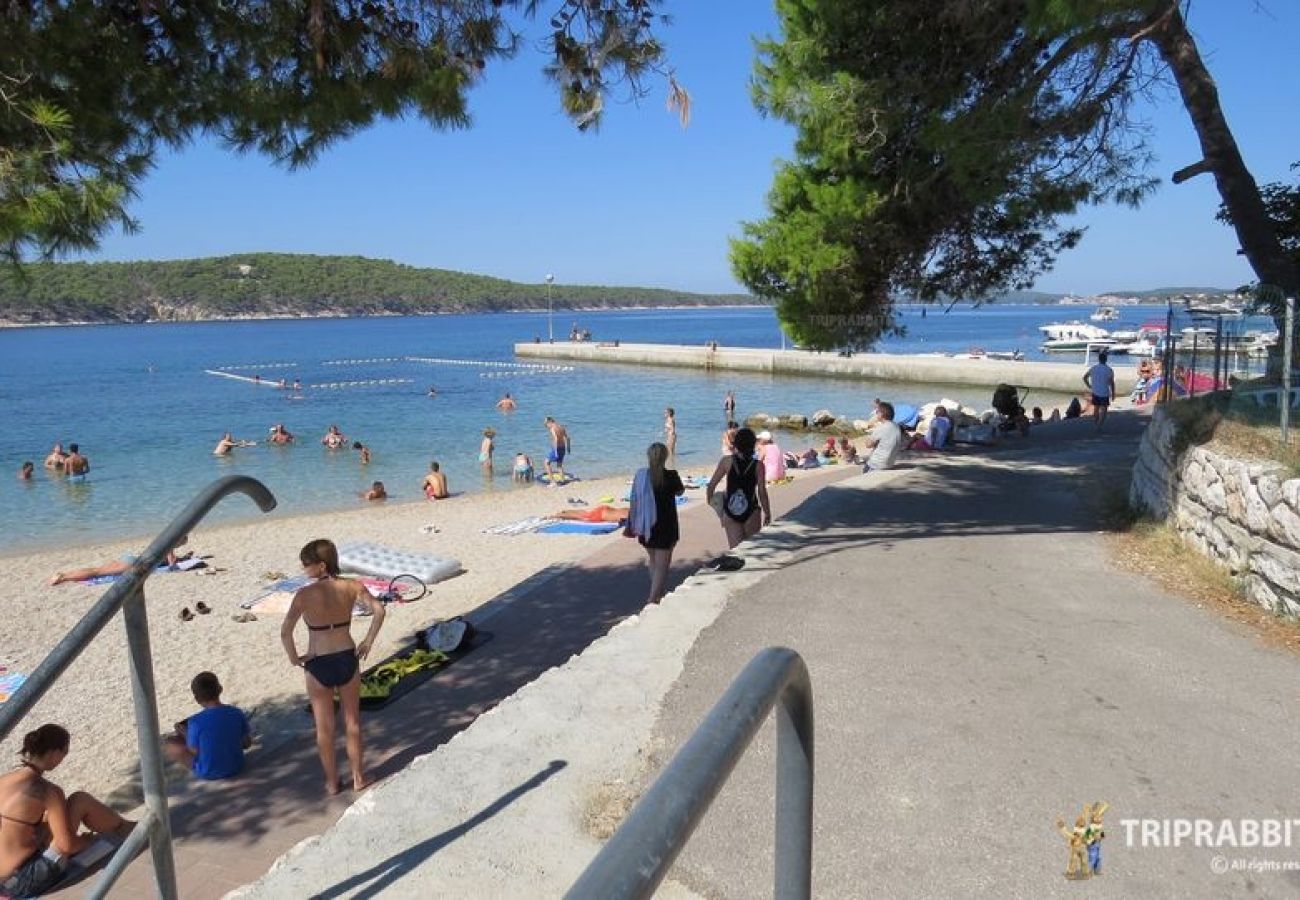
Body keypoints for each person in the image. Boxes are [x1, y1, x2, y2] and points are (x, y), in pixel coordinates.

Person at [281, 539, 385, 795]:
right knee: (352, 722)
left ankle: (331, 782)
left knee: (324, 728)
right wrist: (368, 641)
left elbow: (285, 632)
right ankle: (358, 777)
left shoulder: (304, 595)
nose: (304, 569)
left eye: (307, 565)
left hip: (317, 661)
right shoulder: (352, 586)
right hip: (346, 656)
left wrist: (295, 658)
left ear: (321, 565)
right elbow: (379, 610)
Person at [0, 724, 134, 898]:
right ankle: (129, 830)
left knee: (48, 818)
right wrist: (88, 841)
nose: (62, 759)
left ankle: (127, 828)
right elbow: (66, 845)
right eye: (64, 753)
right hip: (24, 880)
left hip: (4, 878)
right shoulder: (47, 791)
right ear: (54, 753)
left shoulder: (4, 780)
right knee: (80, 800)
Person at [162, 672, 252, 780]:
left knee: (171, 743)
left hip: (208, 772)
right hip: (237, 766)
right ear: (220, 689)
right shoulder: (236, 712)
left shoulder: (195, 722)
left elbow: (193, 751)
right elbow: (247, 743)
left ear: (197, 699)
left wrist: (185, 733)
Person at [627, 442, 685, 604]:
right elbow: (680, 491)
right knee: (662, 564)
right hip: (666, 524)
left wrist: (632, 521)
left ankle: (658, 593)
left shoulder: (641, 476)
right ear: (665, 457)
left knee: (653, 560)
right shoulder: (671, 476)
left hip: (646, 524)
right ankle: (652, 598)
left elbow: (633, 499)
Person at [706, 427, 771, 550]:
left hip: (730, 511)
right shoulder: (758, 466)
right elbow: (762, 492)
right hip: (752, 510)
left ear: (736, 444)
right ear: (753, 445)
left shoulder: (726, 461)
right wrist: (767, 512)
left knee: (736, 551)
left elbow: (711, 486)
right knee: (751, 550)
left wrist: (713, 503)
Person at [49, 540, 189, 585]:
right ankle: (64, 578)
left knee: (97, 570)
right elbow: (172, 566)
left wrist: (181, 557)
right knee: (97, 573)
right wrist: (177, 563)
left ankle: (65, 574)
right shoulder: (169, 547)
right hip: (133, 564)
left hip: (130, 557)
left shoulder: (161, 545)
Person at [861, 402, 903, 472]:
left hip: (876, 464)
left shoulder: (881, 428)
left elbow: (868, 445)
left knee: (865, 467)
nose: (876, 414)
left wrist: (868, 433)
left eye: (877, 412)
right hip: (889, 463)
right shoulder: (896, 427)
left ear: (881, 414)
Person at [1083, 350, 1116, 430]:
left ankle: (1096, 423)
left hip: (1095, 391)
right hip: (1104, 392)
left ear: (1099, 359)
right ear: (1106, 359)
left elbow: (1085, 377)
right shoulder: (1109, 370)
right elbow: (1112, 383)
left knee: (1096, 408)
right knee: (1104, 409)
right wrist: (1113, 394)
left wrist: (1089, 385)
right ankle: (1099, 425)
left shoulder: (1093, 368)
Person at [543, 416, 571, 482]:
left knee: (546, 462)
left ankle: (552, 482)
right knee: (559, 465)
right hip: (563, 448)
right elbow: (568, 438)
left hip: (557, 448)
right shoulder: (561, 427)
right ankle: (563, 480)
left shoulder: (552, 428)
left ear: (549, 422)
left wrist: (555, 451)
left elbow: (556, 439)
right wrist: (568, 448)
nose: (547, 427)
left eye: (546, 425)